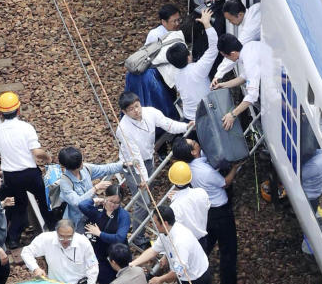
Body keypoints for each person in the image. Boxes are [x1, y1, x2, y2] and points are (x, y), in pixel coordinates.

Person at [172, 137, 245, 284]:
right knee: (228, 248)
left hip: (207, 210)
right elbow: (225, 182)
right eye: (193, 143)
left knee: (208, 240)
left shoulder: (189, 167)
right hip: (221, 211)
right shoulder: (204, 172)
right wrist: (235, 168)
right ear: (193, 151)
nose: (196, 142)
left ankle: (192, 265)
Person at [116, 91, 190, 244]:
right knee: (142, 201)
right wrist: (144, 178)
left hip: (148, 157)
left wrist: (186, 126)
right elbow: (135, 157)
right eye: (131, 109)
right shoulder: (123, 129)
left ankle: (140, 230)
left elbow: (168, 124)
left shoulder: (150, 112)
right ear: (124, 112)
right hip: (132, 165)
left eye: (137, 106)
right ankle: (138, 237)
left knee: (146, 193)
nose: (136, 111)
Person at [0, 92, 52, 249]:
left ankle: (13, 239)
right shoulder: (26, 128)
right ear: (18, 110)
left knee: (19, 206)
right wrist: (47, 157)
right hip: (30, 173)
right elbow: (36, 152)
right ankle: (53, 228)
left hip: (11, 176)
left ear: (1, 113)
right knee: (44, 200)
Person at [79, 184, 131, 284]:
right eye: (110, 201)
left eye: (116, 202)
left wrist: (99, 233)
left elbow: (119, 238)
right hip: (101, 257)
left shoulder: (123, 215)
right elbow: (82, 205)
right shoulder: (99, 212)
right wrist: (97, 200)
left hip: (118, 257)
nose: (113, 205)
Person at [165, 7, 218, 123]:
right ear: (188, 57)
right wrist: (207, 24)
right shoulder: (198, 69)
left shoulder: (175, 75)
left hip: (189, 118)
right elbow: (214, 47)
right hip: (207, 116)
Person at [56, 146, 123, 232]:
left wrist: (123, 165)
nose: (82, 163)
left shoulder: (85, 169)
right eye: (81, 162)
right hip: (79, 220)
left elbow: (105, 169)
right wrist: (95, 188)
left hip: (94, 212)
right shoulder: (65, 182)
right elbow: (78, 203)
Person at [212, 35, 273, 130]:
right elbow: (244, 77)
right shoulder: (249, 47)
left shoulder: (249, 61)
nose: (227, 59)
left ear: (232, 54)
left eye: (226, 56)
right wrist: (224, 85)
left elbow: (252, 95)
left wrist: (233, 115)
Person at [213, 0, 262, 79]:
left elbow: (233, 51)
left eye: (230, 19)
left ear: (240, 15)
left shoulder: (249, 30)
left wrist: (218, 74)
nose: (230, 22)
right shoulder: (255, 8)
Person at [166, 161, 209, 240]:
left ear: (173, 181)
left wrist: (176, 197)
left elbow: (174, 229)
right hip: (203, 239)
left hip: (187, 243)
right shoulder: (201, 192)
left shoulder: (175, 206)